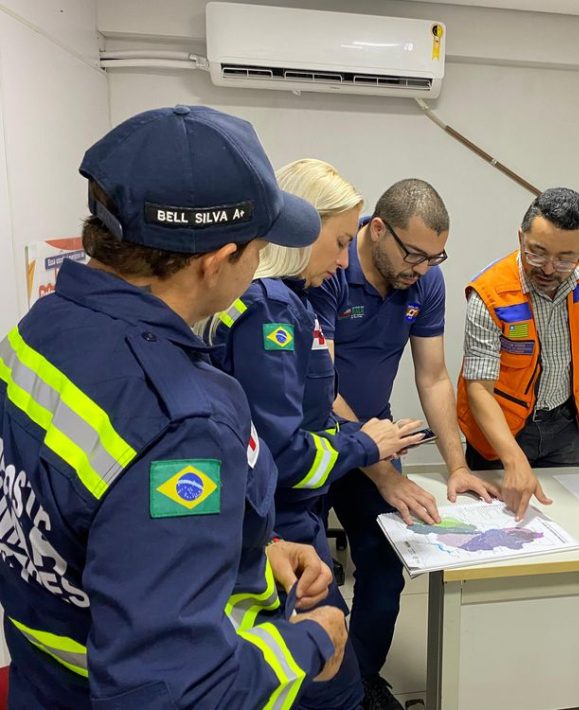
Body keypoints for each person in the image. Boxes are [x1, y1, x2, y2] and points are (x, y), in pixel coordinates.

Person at [0, 105, 350, 708]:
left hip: (43, 679)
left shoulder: (37, 333)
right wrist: (311, 643)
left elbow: (96, 527)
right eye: (259, 245)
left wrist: (252, 554)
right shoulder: (185, 423)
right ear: (216, 260)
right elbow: (181, 692)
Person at [204, 158, 424, 710]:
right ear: (304, 230)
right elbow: (283, 453)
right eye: (341, 241)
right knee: (330, 681)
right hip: (280, 534)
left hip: (286, 526)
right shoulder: (272, 309)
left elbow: (301, 415)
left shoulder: (285, 301)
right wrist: (365, 444)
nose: (344, 259)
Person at [308, 178, 498, 710]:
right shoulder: (329, 272)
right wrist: (384, 471)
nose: (422, 268)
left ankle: (362, 679)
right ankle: (312, 688)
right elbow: (319, 387)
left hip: (378, 435)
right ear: (376, 230)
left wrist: (456, 462)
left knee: (385, 564)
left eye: (435, 256)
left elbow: (434, 377)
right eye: (414, 253)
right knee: (307, 572)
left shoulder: (424, 282)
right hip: (317, 439)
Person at [457, 187, 579, 520]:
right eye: (537, 252)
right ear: (521, 237)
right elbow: (479, 388)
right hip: (501, 432)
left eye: (566, 258)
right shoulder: (490, 294)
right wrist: (512, 458)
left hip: (563, 423)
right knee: (498, 527)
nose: (550, 269)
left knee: (575, 522)